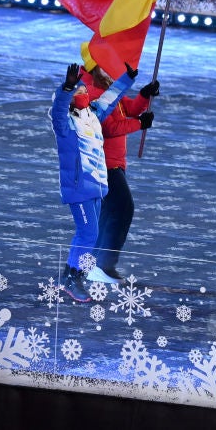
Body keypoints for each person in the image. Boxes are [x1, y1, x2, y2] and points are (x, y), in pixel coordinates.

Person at [49, 62, 137, 302]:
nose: (81, 94)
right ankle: (72, 278)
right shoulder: (65, 124)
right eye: (75, 93)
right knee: (88, 233)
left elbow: (109, 98)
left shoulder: (93, 115)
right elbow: (57, 109)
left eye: (81, 91)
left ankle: (70, 275)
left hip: (97, 184)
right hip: (79, 188)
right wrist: (66, 88)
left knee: (87, 233)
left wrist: (127, 79)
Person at [79, 60, 159, 285]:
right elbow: (108, 128)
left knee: (108, 214)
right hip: (102, 164)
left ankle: (93, 263)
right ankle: (103, 264)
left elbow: (129, 109)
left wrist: (144, 95)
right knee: (122, 208)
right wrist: (139, 124)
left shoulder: (107, 89)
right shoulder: (93, 93)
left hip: (113, 163)